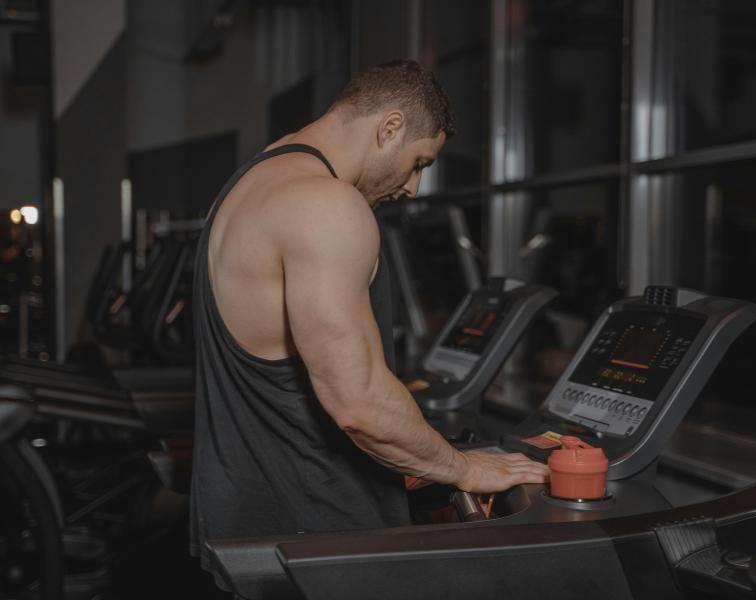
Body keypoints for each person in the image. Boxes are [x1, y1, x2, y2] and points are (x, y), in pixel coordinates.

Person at [189, 59, 549, 574]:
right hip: (316, 536)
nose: (413, 188)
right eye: (420, 162)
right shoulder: (326, 205)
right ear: (390, 127)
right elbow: (358, 405)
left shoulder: (252, 181)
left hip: (244, 520)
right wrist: (462, 466)